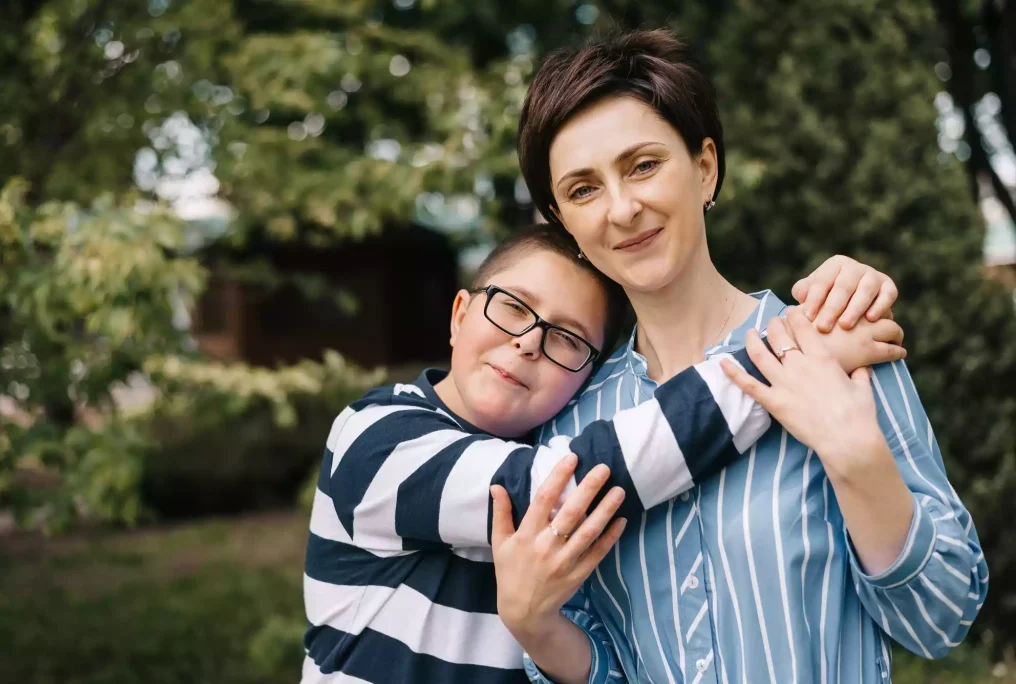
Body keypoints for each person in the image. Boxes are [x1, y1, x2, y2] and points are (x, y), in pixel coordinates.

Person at [491, 29, 988, 684]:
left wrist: (855, 457)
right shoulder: (574, 428)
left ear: (705, 168)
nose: (623, 208)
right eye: (584, 190)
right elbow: (604, 666)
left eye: (643, 165)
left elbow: (942, 618)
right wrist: (534, 625)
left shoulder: (836, 344)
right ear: (562, 222)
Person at [299, 222, 905, 683]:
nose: (529, 342)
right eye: (512, 306)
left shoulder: (555, 435)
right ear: (460, 314)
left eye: (567, 337)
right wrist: (794, 354)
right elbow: (560, 487)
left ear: (586, 380)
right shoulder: (375, 436)